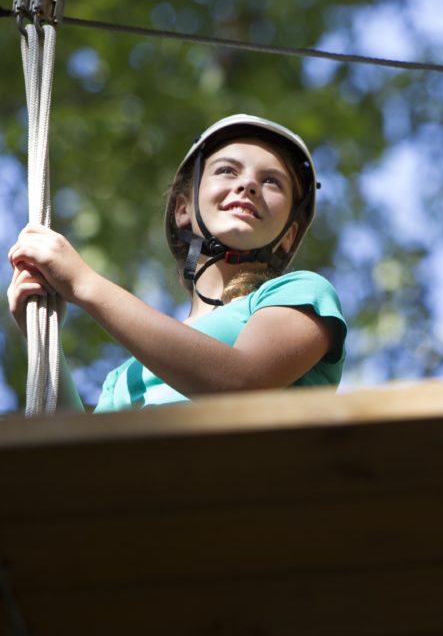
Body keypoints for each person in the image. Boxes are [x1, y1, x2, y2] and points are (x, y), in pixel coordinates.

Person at [8, 114, 347, 412]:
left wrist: (84, 284)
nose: (248, 185)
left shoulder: (301, 294)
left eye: (271, 181)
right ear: (183, 210)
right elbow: (77, 462)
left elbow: (243, 381)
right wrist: (42, 339)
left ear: (288, 235)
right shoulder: (128, 375)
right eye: (227, 170)